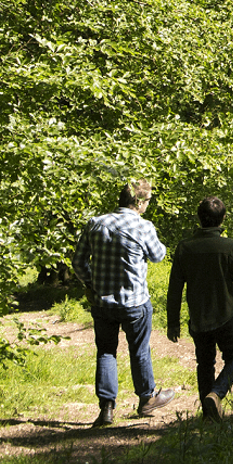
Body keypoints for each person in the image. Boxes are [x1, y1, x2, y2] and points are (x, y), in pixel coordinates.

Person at [72, 180, 178, 427]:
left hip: (102, 302)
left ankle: (107, 408)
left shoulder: (96, 223)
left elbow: (78, 262)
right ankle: (146, 398)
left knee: (106, 351)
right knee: (139, 350)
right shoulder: (143, 226)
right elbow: (158, 255)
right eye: (148, 201)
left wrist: (90, 284)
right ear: (138, 202)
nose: (148, 205)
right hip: (135, 302)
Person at [165, 196, 233, 420]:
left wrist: (173, 323)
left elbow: (174, 289)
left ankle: (208, 416)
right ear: (222, 218)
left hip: (199, 318)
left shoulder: (185, 248)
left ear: (199, 218)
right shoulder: (228, 246)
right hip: (226, 314)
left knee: (205, 363)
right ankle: (216, 393)